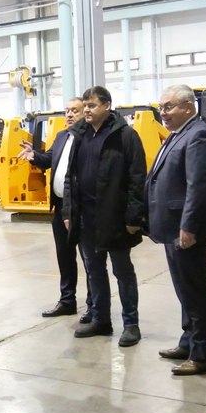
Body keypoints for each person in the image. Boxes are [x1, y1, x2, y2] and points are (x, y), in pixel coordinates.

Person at [62, 86, 146, 347]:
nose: (86, 110)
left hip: (115, 218)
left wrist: (134, 217)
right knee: (94, 271)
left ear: (107, 106)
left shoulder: (125, 136)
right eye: (85, 105)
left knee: (122, 271)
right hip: (86, 218)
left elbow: (137, 178)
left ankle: (131, 324)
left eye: (92, 105)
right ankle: (101, 320)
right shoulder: (79, 136)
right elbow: (70, 177)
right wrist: (69, 211)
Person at [146, 85, 206, 375]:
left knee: (195, 291)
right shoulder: (179, 134)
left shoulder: (199, 135)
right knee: (184, 289)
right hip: (171, 228)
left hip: (186, 230)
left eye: (169, 107)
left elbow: (198, 186)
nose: (163, 113)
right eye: (161, 108)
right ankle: (188, 341)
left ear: (189, 107)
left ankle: (202, 355)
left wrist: (188, 226)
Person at [18, 98, 93, 322]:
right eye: (67, 111)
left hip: (82, 208)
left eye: (74, 111)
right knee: (65, 256)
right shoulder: (61, 137)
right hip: (60, 207)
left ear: (85, 113)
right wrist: (34, 156)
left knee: (90, 259)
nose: (69, 115)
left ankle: (94, 305)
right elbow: (49, 159)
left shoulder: (90, 138)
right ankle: (67, 300)